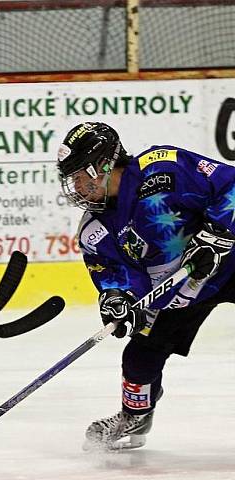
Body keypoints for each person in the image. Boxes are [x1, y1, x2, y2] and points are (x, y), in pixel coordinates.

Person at [56, 122, 235, 450]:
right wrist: (118, 299)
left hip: (230, 263)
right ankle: (135, 417)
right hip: (178, 294)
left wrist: (219, 232)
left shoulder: (163, 168)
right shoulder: (94, 229)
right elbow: (114, 275)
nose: (76, 187)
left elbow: (230, 186)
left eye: (80, 176)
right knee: (139, 359)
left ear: (104, 166)